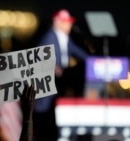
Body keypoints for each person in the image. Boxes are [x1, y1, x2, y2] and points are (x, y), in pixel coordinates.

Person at [34, 9, 89, 141]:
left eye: (69, 22)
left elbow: (80, 54)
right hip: (48, 81)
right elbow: (40, 56)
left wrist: (95, 61)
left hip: (60, 80)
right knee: (44, 113)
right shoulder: (50, 36)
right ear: (57, 22)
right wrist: (52, 67)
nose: (69, 25)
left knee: (53, 112)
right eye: (66, 22)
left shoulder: (66, 38)